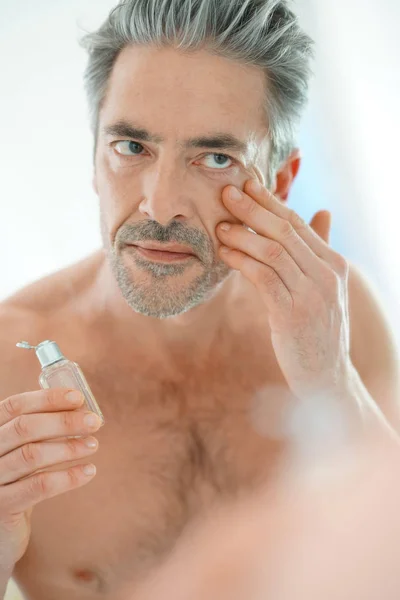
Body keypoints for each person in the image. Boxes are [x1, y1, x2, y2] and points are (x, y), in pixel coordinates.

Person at [1, 0, 399, 598]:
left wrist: (331, 384)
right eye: (132, 148)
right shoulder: (8, 362)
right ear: (93, 160)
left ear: (280, 183)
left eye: (215, 158)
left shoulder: (338, 315)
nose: (161, 207)